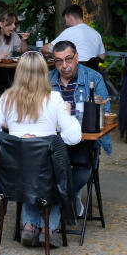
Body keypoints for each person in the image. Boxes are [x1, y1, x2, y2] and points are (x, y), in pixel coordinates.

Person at [0, 51, 83, 246]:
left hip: (14, 177)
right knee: (55, 172)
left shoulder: (7, 99)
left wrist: (13, 142)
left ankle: (28, 226)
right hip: (47, 175)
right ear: (44, 73)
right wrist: (69, 116)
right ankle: (48, 229)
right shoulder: (54, 99)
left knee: (29, 167)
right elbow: (74, 137)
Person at [49, 40, 112, 214]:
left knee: (85, 166)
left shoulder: (93, 78)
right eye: (59, 61)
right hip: (54, 140)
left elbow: (105, 112)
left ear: (77, 57)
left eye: (68, 59)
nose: (64, 65)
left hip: (83, 141)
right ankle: (64, 199)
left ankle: (62, 198)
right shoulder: (47, 80)